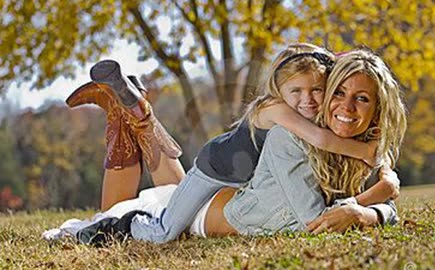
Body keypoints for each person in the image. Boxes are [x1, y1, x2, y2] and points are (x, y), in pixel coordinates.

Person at [46, 45, 401, 244]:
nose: (344, 107)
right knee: (121, 217)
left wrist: (372, 202)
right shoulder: (287, 127)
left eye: (363, 99)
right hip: (210, 194)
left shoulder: (332, 143)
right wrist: (372, 201)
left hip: (220, 190)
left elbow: (362, 207)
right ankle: (124, 117)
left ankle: (137, 115)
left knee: (167, 194)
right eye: (338, 93)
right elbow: (319, 221)